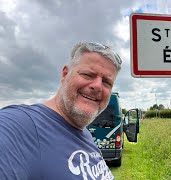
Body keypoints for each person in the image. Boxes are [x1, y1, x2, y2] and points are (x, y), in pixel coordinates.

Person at [0, 42, 122, 180]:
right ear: (65, 74)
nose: (97, 86)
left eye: (106, 82)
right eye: (88, 74)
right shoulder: (17, 125)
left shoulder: (83, 133)